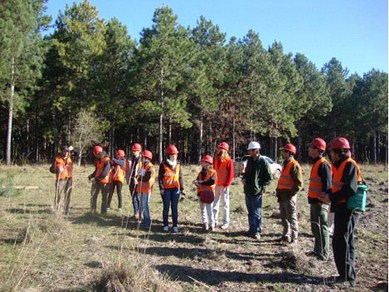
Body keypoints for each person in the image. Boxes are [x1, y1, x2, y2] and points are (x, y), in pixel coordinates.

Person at [319, 137, 361, 287]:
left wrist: (330, 197)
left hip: (348, 210)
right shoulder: (339, 165)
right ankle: (346, 276)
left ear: (338, 152)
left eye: (331, 151)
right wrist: (328, 193)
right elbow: (338, 186)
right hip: (341, 208)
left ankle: (346, 278)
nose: (329, 154)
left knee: (342, 242)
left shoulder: (349, 165)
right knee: (344, 242)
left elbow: (350, 189)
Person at [307, 138, 332, 261]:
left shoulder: (323, 164)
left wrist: (322, 201)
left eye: (311, 147)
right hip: (314, 201)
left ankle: (324, 254)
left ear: (317, 150)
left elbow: (327, 186)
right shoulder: (317, 163)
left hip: (320, 203)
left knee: (322, 227)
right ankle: (317, 250)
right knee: (315, 227)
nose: (309, 149)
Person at [242, 141, 272, 240]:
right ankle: (251, 229)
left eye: (250, 150)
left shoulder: (263, 161)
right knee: (250, 212)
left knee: (257, 213)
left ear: (256, 151)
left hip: (257, 191)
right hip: (248, 190)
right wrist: (244, 178)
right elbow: (246, 173)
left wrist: (263, 188)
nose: (249, 152)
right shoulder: (249, 160)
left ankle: (257, 231)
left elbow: (269, 177)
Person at [276, 143, 303, 243]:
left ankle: (294, 238)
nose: (282, 153)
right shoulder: (286, 163)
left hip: (289, 196)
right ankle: (286, 235)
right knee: (284, 217)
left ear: (289, 153)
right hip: (282, 195)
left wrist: (291, 194)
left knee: (291, 217)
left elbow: (299, 184)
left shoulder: (294, 165)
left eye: (284, 151)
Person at [158, 145, 184, 233]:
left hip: (176, 189)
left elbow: (180, 177)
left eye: (176, 154)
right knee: (166, 207)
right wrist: (161, 188)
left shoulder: (178, 164)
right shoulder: (163, 164)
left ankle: (175, 225)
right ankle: (165, 224)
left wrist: (182, 188)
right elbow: (160, 177)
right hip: (166, 189)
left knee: (174, 208)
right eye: (173, 155)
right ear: (169, 155)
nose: (175, 156)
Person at [213, 142, 234, 230]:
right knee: (215, 203)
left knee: (225, 204)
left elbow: (231, 174)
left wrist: (226, 184)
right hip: (216, 185)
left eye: (221, 149)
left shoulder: (229, 161)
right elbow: (213, 171)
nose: (219, 150)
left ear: (225, 150)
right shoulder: (216, 159)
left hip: (224, 186)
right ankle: (214, 221)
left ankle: (225, 223)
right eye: (219, 148)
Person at [194, 155, 217, 232]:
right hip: (201, 193)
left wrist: (201, 182)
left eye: (203, 162)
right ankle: (205, 223)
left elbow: (211, 182)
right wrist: (196, 182)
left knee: (209, 210)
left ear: (208, 163)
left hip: (209, 194)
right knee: (202, 209)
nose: (201, 163)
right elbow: (198, 180)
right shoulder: (200, 173)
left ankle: (212, 225)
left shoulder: (213, 172)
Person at [135, 150, 155, 229]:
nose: (141, 158)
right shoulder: (143, 166)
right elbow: (139, 175)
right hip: (141, 188)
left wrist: (138, 179)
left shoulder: (150, 167)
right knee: (142, 206)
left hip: (146, 189)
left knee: (145, 206)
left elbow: (146, 177)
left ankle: (147, 221)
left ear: (147, 158)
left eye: (143, 157)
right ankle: (144, 220)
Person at [88, 145, 111, 214]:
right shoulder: (98, 160)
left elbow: (105, 173)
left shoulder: (107, 160)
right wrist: (91, 176)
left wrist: (96, 179)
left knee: (104, 197)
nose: (95, 156)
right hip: (97, 180)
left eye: (95, 154)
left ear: (97, 153)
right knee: (93, 196)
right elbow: (97, 170)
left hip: (104, 182)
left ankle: (103, 212)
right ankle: (93, 210)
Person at [53, 145, 73, 215]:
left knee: (67, 195)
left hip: (69, 179)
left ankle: (66, 211)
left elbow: (77, 152)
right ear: (62, 151)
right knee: (58, 195)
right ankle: (57, 210)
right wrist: (57, 170)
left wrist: (72, 149)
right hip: (60, 179)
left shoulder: (70, 157)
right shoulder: (57, 158)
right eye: (65, 151)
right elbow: (52, 169)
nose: (67, 152)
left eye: (68, 151)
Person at [126, 143, 142, 219]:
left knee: (138, 197)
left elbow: (143, 171)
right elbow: (127, 170)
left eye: (135, 151)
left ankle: (140, 213)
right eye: (133, 150)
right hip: (131, 181)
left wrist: (138, 179)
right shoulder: (129, 159)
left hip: (139, 181)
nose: (134, 152)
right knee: (133, 197)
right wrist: (127, 179)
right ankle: (136, 212)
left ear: (139, 151)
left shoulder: (142, 160)